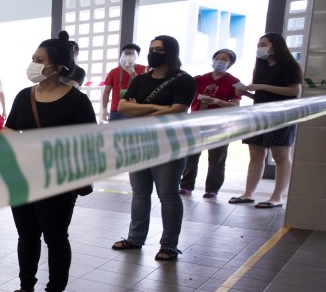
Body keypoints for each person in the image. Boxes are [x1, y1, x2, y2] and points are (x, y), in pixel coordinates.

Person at [2, 32, 96, 292]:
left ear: (58, 66)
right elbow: (9, 128)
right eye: (33, 59)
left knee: (55, 237)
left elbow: (89, 143)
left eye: (39, 60)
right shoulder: (24, 96)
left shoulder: (77, 101)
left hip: (58, 179)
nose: (33, 65)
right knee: (26, 235)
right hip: (23, 176)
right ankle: (26, 287)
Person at [112, 35, 195, 261]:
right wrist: (158, 108)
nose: (153, 53)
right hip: (140, 143)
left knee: (167, 194)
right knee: (140, 193)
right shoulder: (140, 80)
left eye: (159, 49)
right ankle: (135, 238)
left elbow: (178, 109)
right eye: (151, 49)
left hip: (170, 144)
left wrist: (142, 110)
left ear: (171, 52)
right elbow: (123, 107)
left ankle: (169, 245)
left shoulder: (184, 80)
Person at [230, 33, 304, 209]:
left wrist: (261, 86)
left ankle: (276, 197)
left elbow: (295, 91)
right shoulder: (261, 67)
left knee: (280, 156)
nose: (260, 48)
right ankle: (248, 194)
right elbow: (262, 93)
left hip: (282, 115)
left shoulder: (288, 65)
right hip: (259, 114)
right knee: (256, 155)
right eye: (258, 45)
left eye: (263, 44)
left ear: (275, 46)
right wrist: (246, 92)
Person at [179, 49, 241, 198]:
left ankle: (212, 189)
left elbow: (236, 105)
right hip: (197, 122)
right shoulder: (200, 79)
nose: (220, 61)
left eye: (224, 59)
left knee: (217, 159)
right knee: (191, 156)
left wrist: (218, 102)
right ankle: (186, 185)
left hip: (220, 125)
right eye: (217, 58)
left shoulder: (234, 82)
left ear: (230, 63)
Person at [101, 44, 145, 122]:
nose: (128, 56)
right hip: (116, 109)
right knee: (114, 133)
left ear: (137, 55)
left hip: (134, 109)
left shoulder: (144, 69)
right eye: (126, 54)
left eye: (131, 54)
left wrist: (132, 71)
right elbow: (106, 92)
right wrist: (104, 109)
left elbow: (143, 87)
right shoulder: (114, 71)